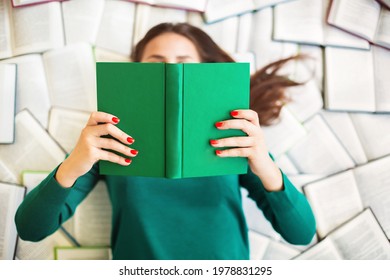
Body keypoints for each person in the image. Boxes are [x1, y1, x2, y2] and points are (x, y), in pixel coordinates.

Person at [15, 22, 316, 260]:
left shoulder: (235, 137)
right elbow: (30, 229)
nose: (170, 70)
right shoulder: (110, 139)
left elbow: (300, 233)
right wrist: (75, 162)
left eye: (183, 62)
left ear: (203, 72)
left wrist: (264, 164)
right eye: (156, 62)